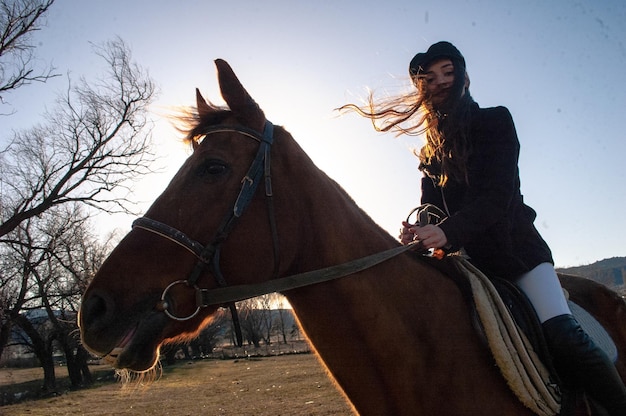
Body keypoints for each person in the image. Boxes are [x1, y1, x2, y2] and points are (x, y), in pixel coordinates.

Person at [342, 41, 626, 415]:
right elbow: (432, 208)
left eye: (448, 72)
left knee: (563, 336)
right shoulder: (430, 151)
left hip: (519, 257)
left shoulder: (496, 121)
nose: (441, 81)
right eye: (430, 78)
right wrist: (420, 230)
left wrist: (447, 233)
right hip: (468, 262)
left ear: (464, 77)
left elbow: (496, 197)